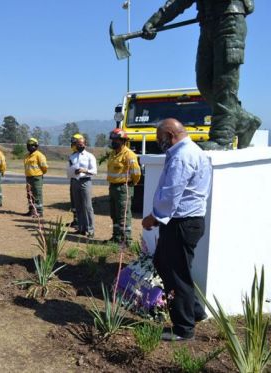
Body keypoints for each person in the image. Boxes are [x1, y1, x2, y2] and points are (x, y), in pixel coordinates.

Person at [141, 0, 260, 150]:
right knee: (204, 82)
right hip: (207, 25)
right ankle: (244, 121)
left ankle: (222, 138)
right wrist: (155, 21)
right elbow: (178, 3)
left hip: (230, 21)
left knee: (224, 83)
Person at [142, 118, 212, 341]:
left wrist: (153, 218)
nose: (158, 143)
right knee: (165, 263)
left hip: (181, 223)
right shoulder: (192, 151)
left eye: (159, 138)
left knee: (177, 274)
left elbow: (172, 194)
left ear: (171, 135)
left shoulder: (182, 156)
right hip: (185, 222)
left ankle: (184, 328)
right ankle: (195, 311)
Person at [106, 129, 141, 246]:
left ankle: (126, 240)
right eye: (112, 140)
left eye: (116, 140)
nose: (113, 142)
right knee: (114, 214)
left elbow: (136, 173)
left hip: (123, 187)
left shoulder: (129, 155)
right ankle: (116, 237)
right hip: (113, 187)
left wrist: (131, 183)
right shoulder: (112, 153)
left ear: (123, 141)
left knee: (123, 214)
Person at [67, 137, 97, 238]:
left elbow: (94, 171)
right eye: (77, 144)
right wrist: (72, 172)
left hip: (85, 181)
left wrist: (84, 170)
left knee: (87, 206)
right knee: (78, 206)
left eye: (81, 144)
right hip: (75, 181)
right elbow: (69, 169)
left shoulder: (90, 156)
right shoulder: (72, 156)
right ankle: (81, 228)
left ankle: (90, 229)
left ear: (85, 144)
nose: (79, 146)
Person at [23, 138, 48, 217]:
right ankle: (31, 210)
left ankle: (39, 212)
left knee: (37, 195)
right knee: (29, 195)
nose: (30, 147)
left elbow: (44, 167)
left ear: (36, 146)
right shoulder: (26, 156)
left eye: (32, 145)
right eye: (29, 145)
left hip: (37, 178)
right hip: (28, 177)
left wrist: (39, 174)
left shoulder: (39, 155)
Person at [69, 133, 84, 227]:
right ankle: (75, 220)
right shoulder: (73, 155)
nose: (72, 145)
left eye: (74, 143)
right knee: (73, 201)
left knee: (79, 202)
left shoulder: (83, 155)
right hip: (73, 179)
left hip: (80, 181)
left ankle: (79, 221)